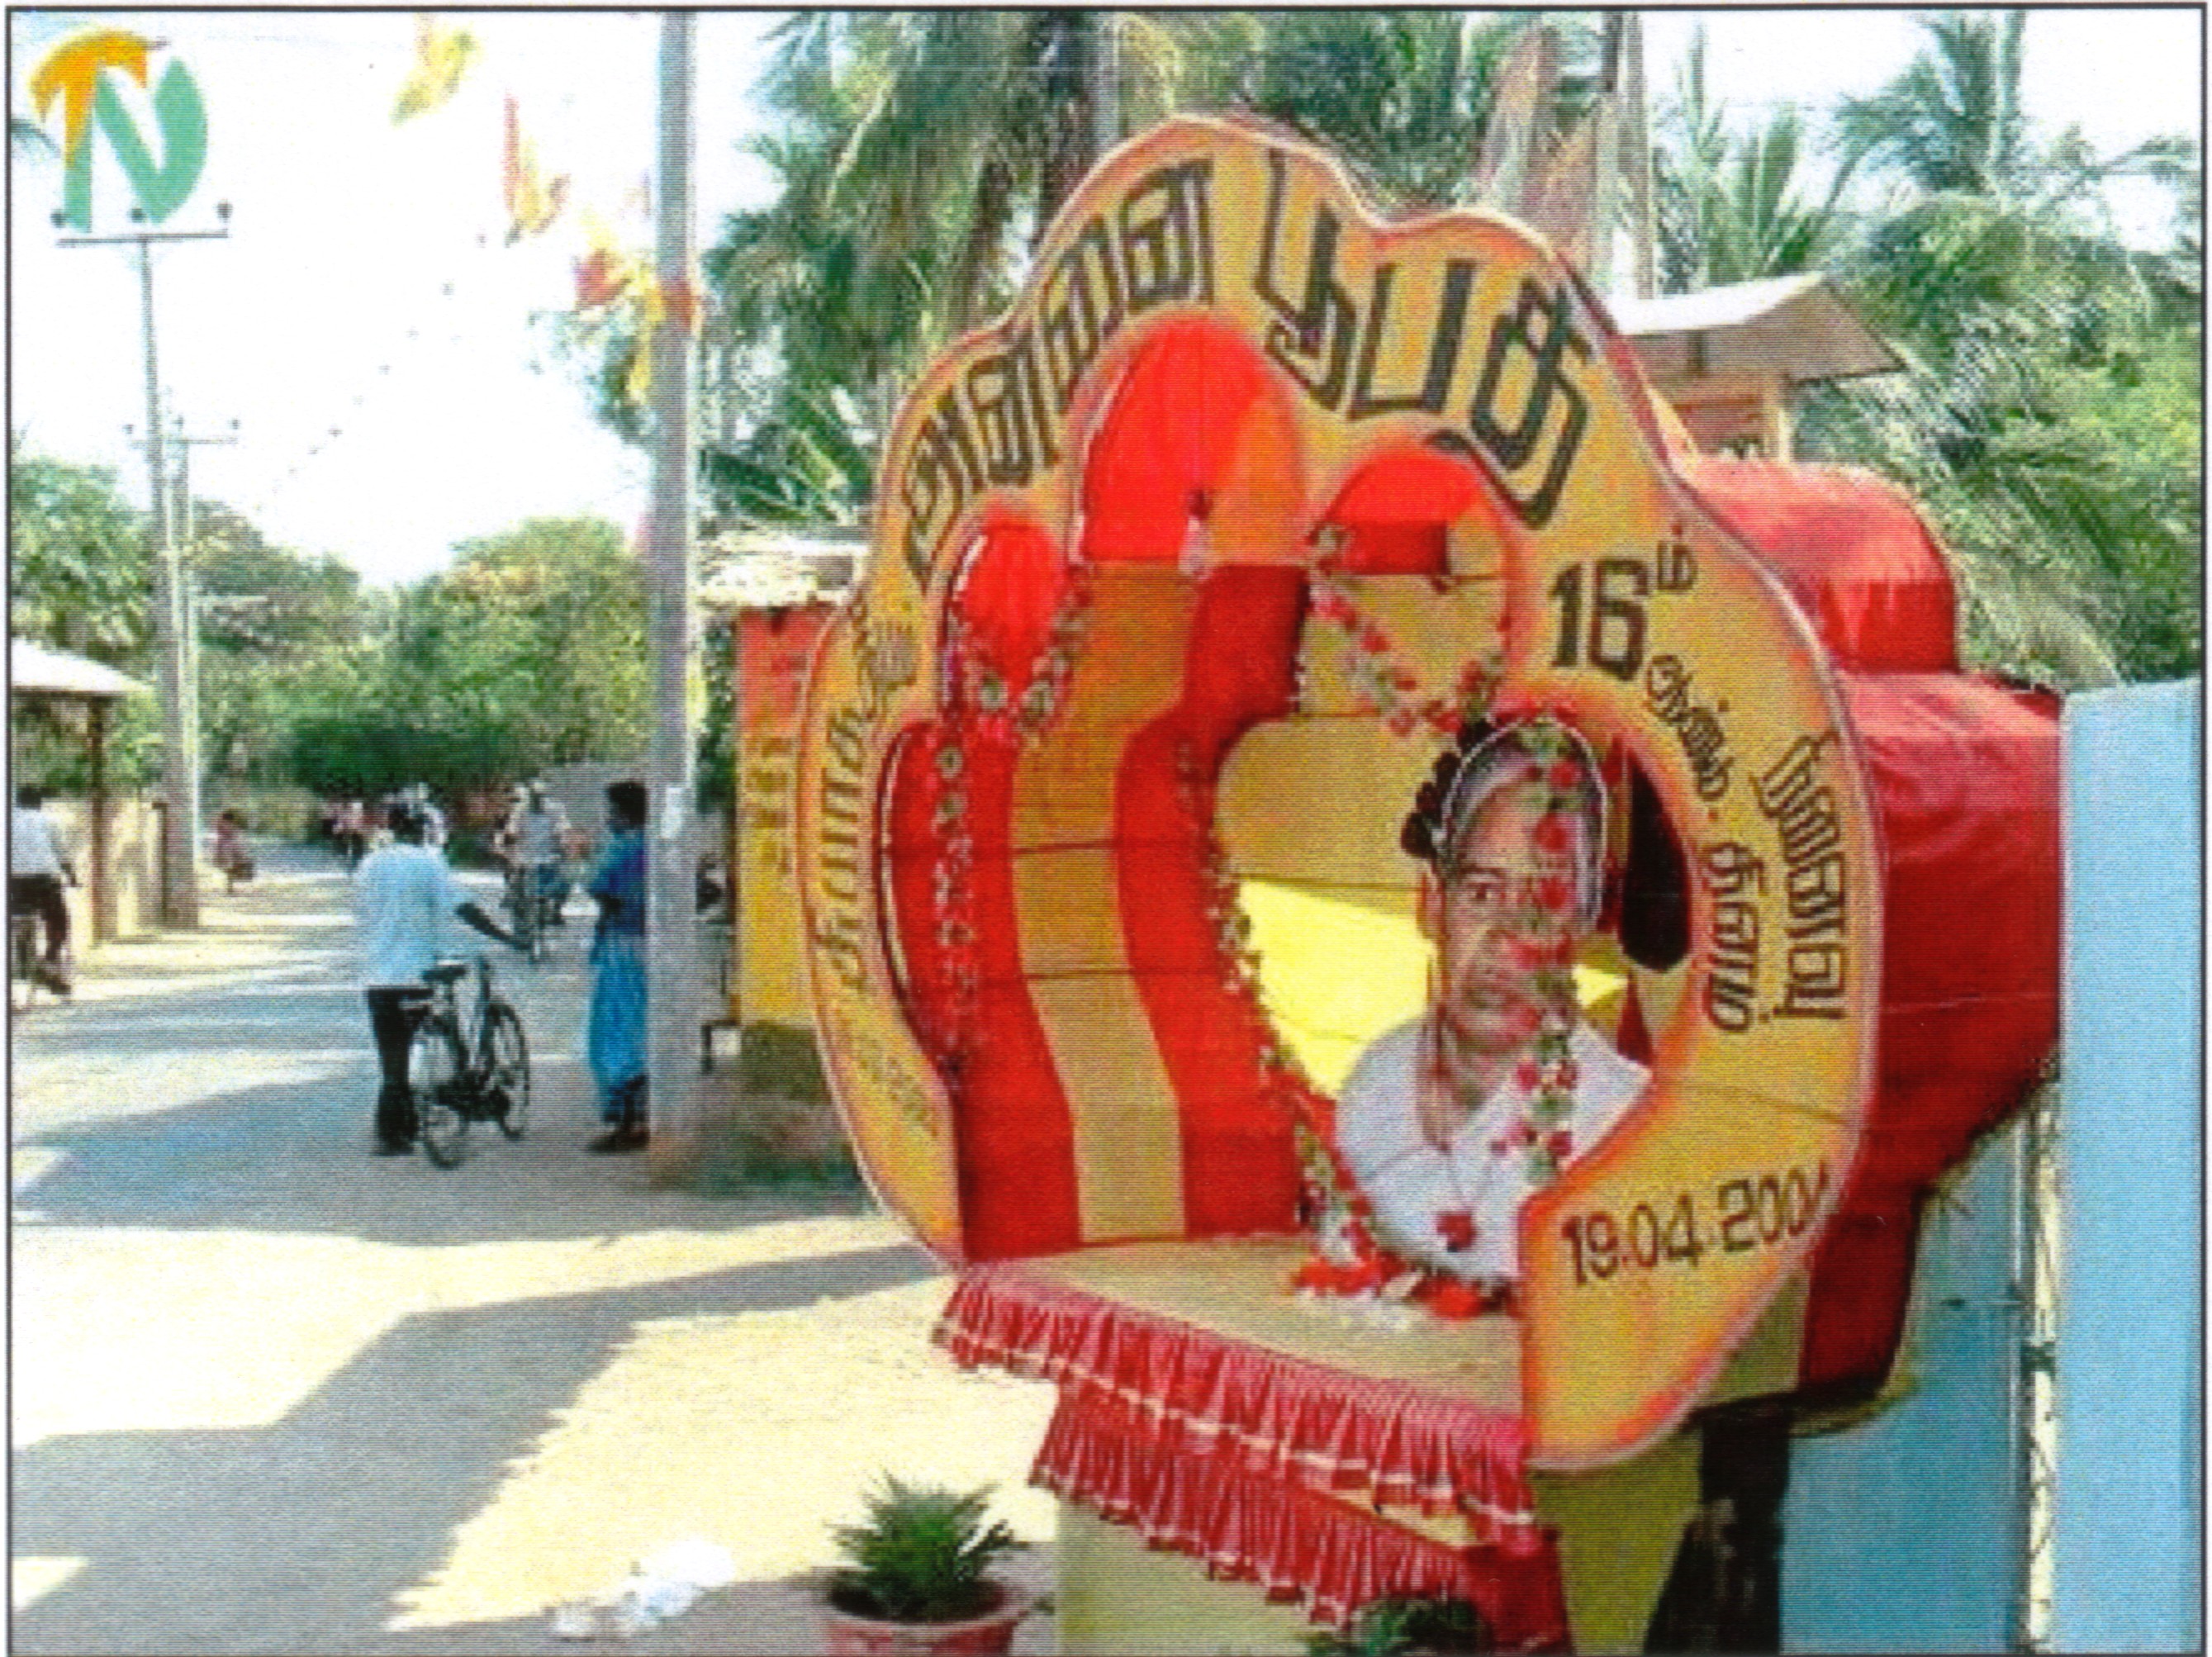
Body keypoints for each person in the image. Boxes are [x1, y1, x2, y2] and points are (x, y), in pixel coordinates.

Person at [1332, 717, 1649, 1290]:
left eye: (1543, 899)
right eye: (1482, 892)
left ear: (1585, 917)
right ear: (1432, 904)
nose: (1507, 937)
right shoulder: (1375, 1082)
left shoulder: (1630, 1123)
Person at [354, 800, 519, 1155]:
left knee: (393, 1058)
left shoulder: (369, 863)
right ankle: (456, 1093)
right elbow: (461, 906)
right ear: (424, 829)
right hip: (417, 973)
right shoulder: (429, 861)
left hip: (377, 976)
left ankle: (391, 1133)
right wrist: (504, 936)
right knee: (435, 1032)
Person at [584, 780, 648, 1151]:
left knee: (617, 1036)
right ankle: (642, 1117)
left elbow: (600, 889)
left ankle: (629, 1123)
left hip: (623, 947)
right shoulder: (661, 847)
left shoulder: (621, 849)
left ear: (623, 813)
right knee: (642, 1031)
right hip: (654, 948)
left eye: (611, 810)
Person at [10, 786, 77, 994]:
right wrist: (72, 876)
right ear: (39, 803)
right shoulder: (49, 820)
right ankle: (51, 957)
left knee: (18, 918)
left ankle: (23, 958)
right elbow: (61, 852)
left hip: (14, 881)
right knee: (58, 919)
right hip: (44, 879)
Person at [497, 783, 572, 926]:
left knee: (566, 879)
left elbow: (562, 831)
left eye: (539, 796)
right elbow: (512, 833)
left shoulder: (554, 809)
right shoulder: (520, 811)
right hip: (530, 858)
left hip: (544, 858)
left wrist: (564, 846)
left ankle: (555, 910)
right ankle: (519, 902)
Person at [212, 809, 254, 891]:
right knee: (231, 868)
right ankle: (230, 886)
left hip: (226, 850)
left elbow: (220, 839)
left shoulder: (221, 826)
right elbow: (239, 841)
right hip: (232, 850)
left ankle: (230, 886)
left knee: (229, 869)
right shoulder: (234, 828)